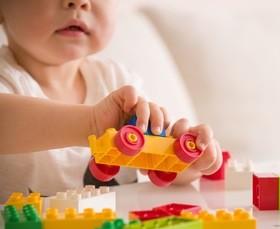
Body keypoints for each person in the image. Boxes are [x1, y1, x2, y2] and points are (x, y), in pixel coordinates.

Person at [0, 0, 222, 203]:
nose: (79, 2)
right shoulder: (5, 79)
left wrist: (184, 159)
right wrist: (91, 124)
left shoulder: (119, 80)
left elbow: (158, 168)